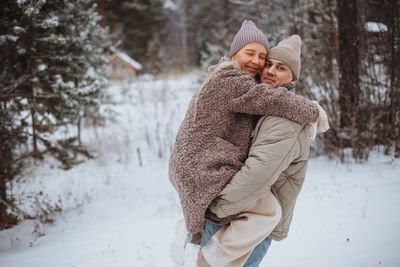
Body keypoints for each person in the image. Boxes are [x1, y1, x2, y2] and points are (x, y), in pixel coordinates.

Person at [168, 20, 324, 266]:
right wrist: (314, 111)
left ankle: (194, 243)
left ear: (293, 78)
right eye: (250, 53)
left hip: (203, 171)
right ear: (234, 54)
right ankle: (204, 257)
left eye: (263, 57)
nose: (260, 64)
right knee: (268, 211)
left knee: (267, 211)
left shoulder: (233, 82)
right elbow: (268, 99)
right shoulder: (231, 80)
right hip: (206, 170)